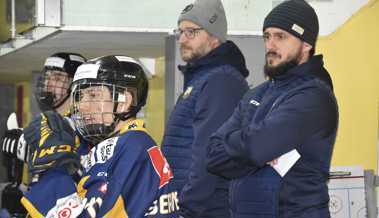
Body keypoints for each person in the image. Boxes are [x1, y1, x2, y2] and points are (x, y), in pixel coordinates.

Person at [206, 0, 339, 217]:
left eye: (281, 36)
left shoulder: (314, 97)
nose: (270, 45)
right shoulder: (256, 94)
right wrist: (255, 152)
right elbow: (213, 155)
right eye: (267, 36)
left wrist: (247, 149)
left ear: (306, 44)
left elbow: (256, 147)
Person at [20, 55, 179, 218]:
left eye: (93, 95)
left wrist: (52, 168)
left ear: (124, 101)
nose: (82, 105)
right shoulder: (128, 144)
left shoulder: (129, 146)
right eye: (80, 96)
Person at [161, 0, 249, 217]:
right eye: (180, 32)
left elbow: (207, 154)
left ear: (214, 35)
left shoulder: (221, 80)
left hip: (204, 209)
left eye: (191, 32)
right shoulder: (201, 79)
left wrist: (187, 208)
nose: (182, 39)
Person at [0, 52, 85, 217]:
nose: (49, 83)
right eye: (47, 77)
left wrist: (31, 151)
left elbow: (74, 170)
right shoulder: (45, 122)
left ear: (76, 85)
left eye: (58, 78)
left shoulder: (84, 124)